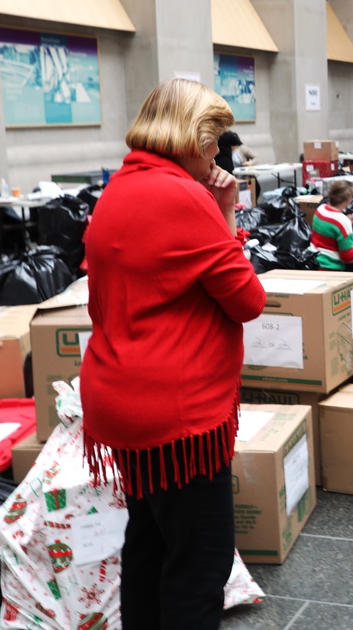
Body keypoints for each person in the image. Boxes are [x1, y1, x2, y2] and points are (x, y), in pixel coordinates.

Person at [79, 78, 267, 630]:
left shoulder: (122, 185)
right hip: (177, 415)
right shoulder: (185, 197)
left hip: (121, 399)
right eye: (213, 143)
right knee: (198, 566)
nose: (218, 155)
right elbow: (247, 301)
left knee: (149, 545)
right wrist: (226, 210)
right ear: (189, 138)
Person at [312, 179, 353, 269]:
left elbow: (330, 226)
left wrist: (346, 219)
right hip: (330, 268)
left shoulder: (320, 210)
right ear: (348, 199)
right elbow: (348, 257)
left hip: (314, 263)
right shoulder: (342, 222)